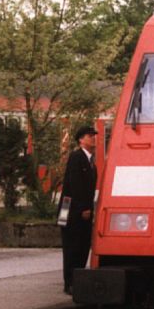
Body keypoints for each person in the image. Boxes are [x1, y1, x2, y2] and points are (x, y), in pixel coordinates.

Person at [60, 125, 98, 294]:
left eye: (94, 136)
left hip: (76, 210)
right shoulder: (77, 158)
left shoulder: (91, 163)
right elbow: (74, 186)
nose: (93, 138)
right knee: (72, 247)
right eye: (90, 136)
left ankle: (76, 280)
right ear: (81, 140)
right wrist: (82, 208)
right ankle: (70, 282)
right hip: (71, 210)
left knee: (82, 245)